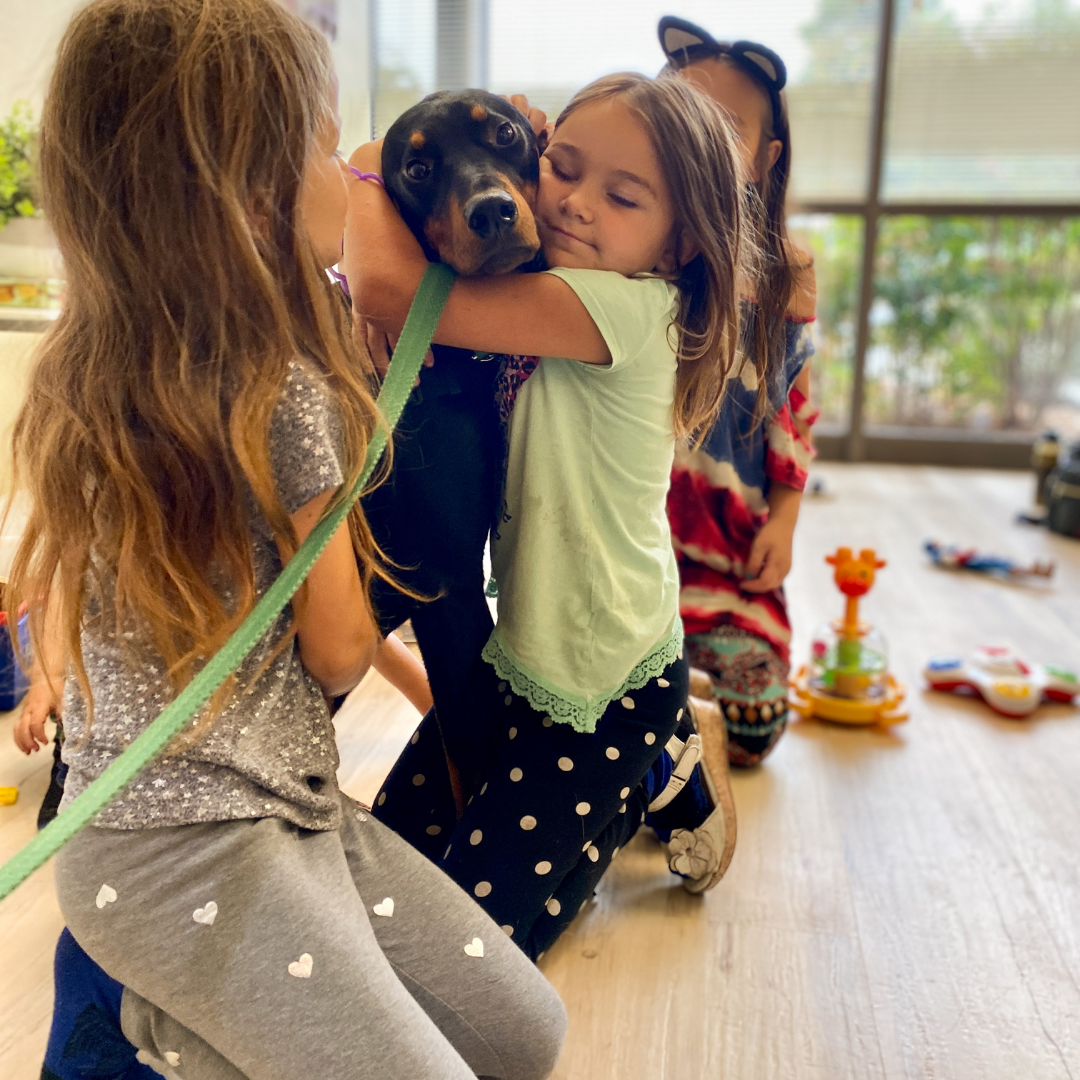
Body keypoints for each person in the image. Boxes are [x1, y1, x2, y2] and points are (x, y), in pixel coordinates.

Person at [4, 2, 566, 1078]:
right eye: (325, 145)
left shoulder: (88, 376)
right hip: (186, 859)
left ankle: (146, 998)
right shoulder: (293, 391)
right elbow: (340, 652)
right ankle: (139, 1026)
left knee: (519, 1033)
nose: (351, 173)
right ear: (250, 192)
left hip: (272, 810)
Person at [346, 70, 752, 960]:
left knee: (465, 951)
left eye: (623, 196)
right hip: (524, 658)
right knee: (383, 872)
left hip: (608, 690)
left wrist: (370, 161)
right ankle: (644, 779)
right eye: (562, 167)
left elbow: (384, 286)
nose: (574, 203)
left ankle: (653, 760)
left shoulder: (623, 306)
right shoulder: (549, 277)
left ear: (681, 241)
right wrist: (497, 144)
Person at [659, 16, 819, 767]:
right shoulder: (629, 249)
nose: (700, 143)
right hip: (629, 549)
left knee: (752, 730)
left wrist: (783, 522)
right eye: (681, 119)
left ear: (766, 158)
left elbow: (795, 413)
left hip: (726, 551)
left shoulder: (789, 272)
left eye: (727, 129)